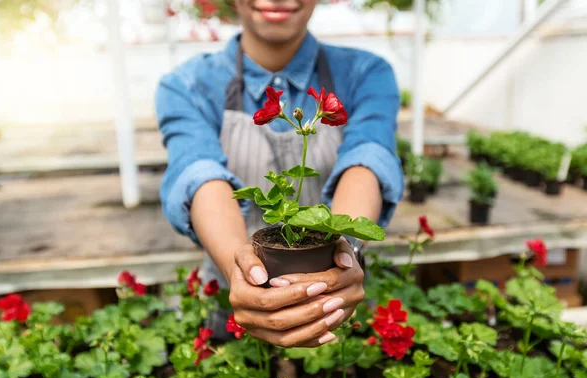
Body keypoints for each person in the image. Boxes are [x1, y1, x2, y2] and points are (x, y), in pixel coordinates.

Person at [155, 0, 404, 348]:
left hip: (336, 300)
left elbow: (369, 155)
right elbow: (197, 171)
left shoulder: (366, 72)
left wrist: (348, 253)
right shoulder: (186, 84)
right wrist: (239, 269)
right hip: (234, 299)